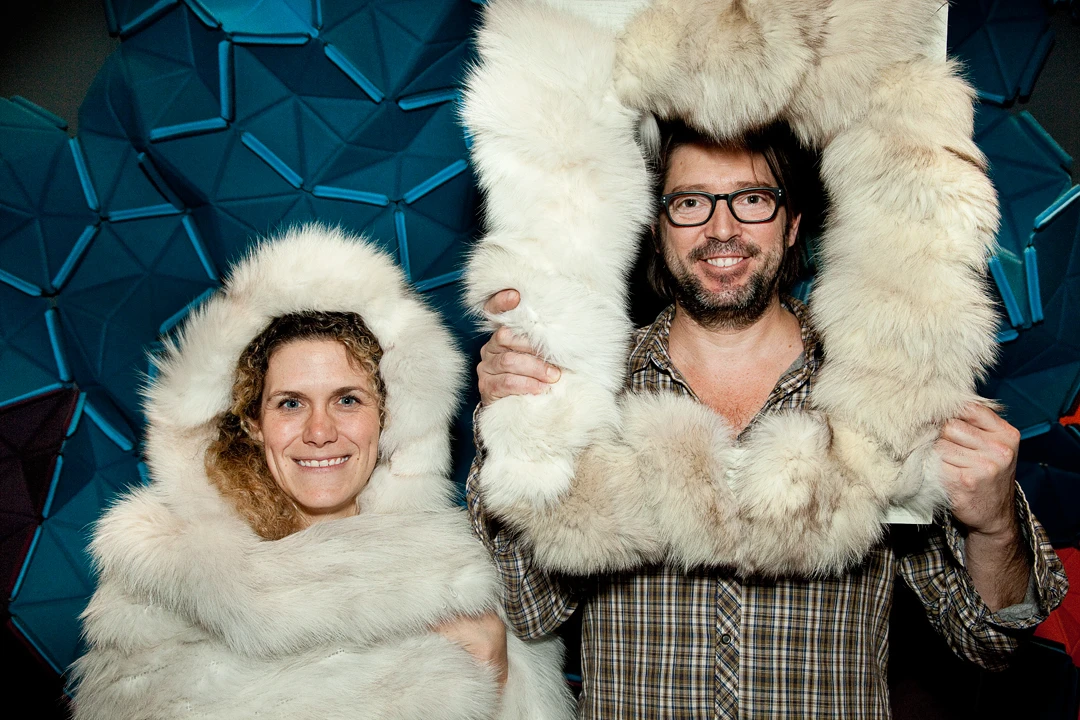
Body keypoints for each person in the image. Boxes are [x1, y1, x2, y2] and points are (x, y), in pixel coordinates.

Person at [465, 123, 1068, 718]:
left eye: (752, 199)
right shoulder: (586, 390)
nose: (722, 229)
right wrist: (516, 423)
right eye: (691, 202)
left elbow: (988, 639)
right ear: (656, 225)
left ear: (793, 223)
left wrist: (995, 527)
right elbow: (529, 612)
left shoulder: (881, 392)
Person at [71, 226, 573, 720]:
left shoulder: (470, 579)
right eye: (290, 403)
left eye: (347, 400)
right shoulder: (165, 570)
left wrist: (495, 677)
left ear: (388, 417)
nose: (319, 431)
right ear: (253, 422)